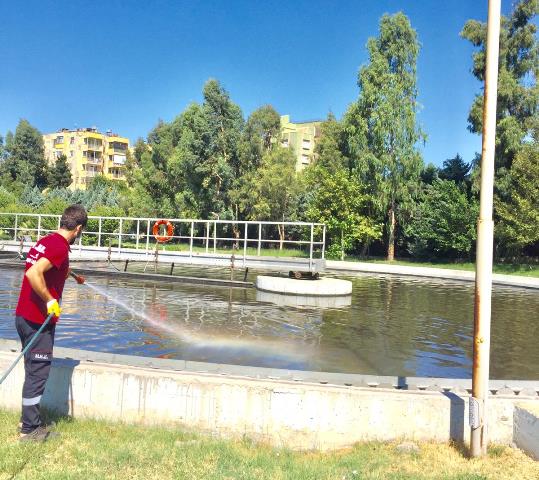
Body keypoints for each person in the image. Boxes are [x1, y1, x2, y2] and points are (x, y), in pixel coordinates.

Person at [15, 204, 87, 442]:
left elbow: (50, 267)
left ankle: (27, 420)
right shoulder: (59, 247)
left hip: (23, 316)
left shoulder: (47, 241)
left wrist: (74, 276)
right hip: (38, 320)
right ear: (77, 229)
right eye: (81, 231)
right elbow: (33, 273)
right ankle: (30, 430)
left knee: (32, 371)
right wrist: (49, 300)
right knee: (38, 373)